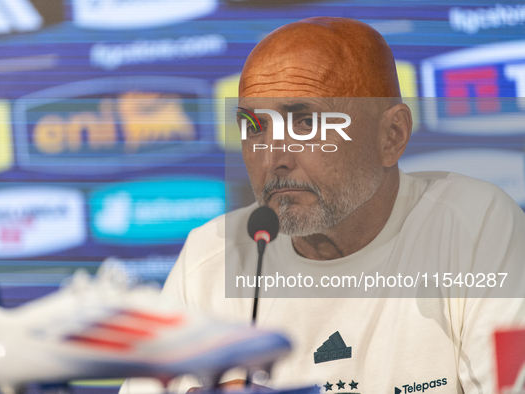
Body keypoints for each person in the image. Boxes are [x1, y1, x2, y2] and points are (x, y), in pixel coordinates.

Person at [159, 17, 525, 394]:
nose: (273, 159)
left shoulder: (475, 227)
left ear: (391, 136)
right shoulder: (210, 258)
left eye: (305, 122)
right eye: (255, 127)